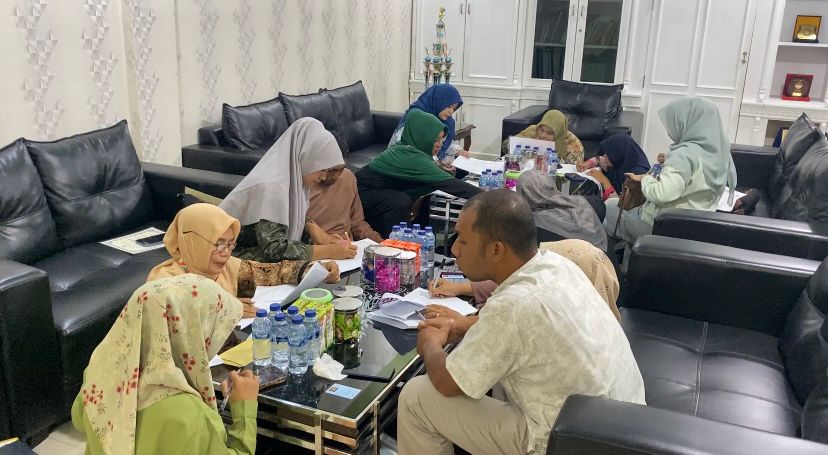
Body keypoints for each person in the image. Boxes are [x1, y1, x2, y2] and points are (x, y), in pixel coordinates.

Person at [397, 190, 645, 455]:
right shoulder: (557, 265)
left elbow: (448, 383)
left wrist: (431, 346)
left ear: (496, 249)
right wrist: (461, 326)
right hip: (620, 423)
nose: (454, 249)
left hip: (570, 442)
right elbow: (523, 328)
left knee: (417, 397)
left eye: (463, 241)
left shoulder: (513, 305)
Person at [72, 274, 259, 454]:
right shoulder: (190, 416)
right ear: (191, 335)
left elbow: (79, 419)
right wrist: (244, 410)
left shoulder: (100, 372)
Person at [147, 203, 339, 317]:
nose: (226, 253)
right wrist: (226, 312)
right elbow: (177, 322)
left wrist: (314, 269)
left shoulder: (226, 268)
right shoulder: (163, 282)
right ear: (193, 241)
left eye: (231, 244)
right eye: (218, 244)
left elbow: (271, 272)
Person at [220, 118, 358, 262]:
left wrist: (321, 235)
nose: (324, 177)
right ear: (306, 158)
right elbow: (274, 251)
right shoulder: (272, 186)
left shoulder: (294, 183)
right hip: (227, 257)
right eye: (322, 169)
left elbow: (288, 226)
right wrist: (329, 251)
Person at [604, 97, 736, 245]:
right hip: (696, 228)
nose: (670, 131)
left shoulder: (684, 154)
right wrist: (667, 165)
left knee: (609, 207)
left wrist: (645, 179)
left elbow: (662, 194)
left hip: (662, 226)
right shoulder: (721, 153)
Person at [357, 109, 482, 238]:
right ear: (423, 137)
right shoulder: (409, 156)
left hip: (379, 190)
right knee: (400, 200)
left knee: (428, 192)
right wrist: (489, 197)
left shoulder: (409, 147)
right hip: (362, 195)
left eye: (441, 140)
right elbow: (452, 185)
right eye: (436, 140)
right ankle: (394, 242)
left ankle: (420, 235)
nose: (439, 145)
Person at [428, 239, 621, 321]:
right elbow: (515, 276)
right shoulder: (597, 322)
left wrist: (457, 323)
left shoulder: (535, 307)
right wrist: (459, 287)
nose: (455, 249)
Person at [516, 170, 607, 251]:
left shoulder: (532, 227)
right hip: (606, 254)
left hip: (582, 262)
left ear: (522, 194)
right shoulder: (587, 201)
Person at [390, 84, 468, 173]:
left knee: (463, 172)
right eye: (449, 106)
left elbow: (444, 143)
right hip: (409, 162)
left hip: (431, 162)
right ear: (438, 101)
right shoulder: (416, 116)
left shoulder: (447, 121)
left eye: (454, 108)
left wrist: (458, 151)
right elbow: (405, 148)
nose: (451, 112)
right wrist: (436, 164)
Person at [306, 167, 383, 243]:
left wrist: (380, 243)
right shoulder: (305, 182)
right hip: (313, 246)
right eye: (332, 170)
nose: (336, 176)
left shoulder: (348, 177)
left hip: (348, 245)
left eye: (341, 170)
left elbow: (357, 224)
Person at [578, 134, 652, 201]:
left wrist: (603, 180)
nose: (604, 156)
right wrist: (589, 163)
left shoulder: (637, 177)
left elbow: (619, 206)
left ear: (618, 154)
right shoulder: (622, 160)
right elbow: (600, 159)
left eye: (609, 154)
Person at [501, 109, 585, 165]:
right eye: (542, 130)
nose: (543, 135)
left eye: (549, 133)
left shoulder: (572, 144)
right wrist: (511, 145)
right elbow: (505, 146)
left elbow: (573, 173)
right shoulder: (533, 130)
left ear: (558, 134)